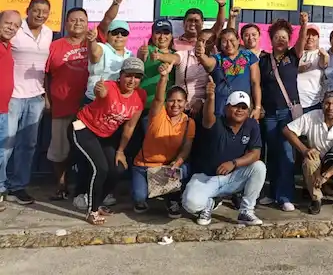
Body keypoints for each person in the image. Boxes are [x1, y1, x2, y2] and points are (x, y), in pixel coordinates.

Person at [70, 57, 147, 225]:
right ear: (120, 75)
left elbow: (130, 127)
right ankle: (92, 210)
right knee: (101, 168)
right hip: (83, 127)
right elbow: (101, 92)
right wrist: (100, 91)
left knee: (117, 170)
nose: (132, 80)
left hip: (105, 135)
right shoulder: (110, 87)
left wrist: (120, 151)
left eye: (137, 77)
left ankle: (98, 202)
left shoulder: (140, 96)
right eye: (128, 75)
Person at [181, 80, 266, 226]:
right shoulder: (217, 121)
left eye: (243, 107)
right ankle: (209, 204)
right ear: (227, 108)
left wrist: (234, 163)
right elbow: (208, 118)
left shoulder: (251, 125)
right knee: (190, 204)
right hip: (206, 178)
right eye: (235, 106)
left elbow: (255, 153)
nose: (239, 110)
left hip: (232, 177)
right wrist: (210, 97)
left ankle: (246, 211)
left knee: (259, 167)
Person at [283, 90, 333, 215]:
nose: (330, 107)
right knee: (310, 160)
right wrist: (304, 149)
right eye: (327, 103)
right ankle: (316, 198)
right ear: (322, 104)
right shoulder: (312, 116)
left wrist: (327, 175)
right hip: (317, 162)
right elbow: (287, 130)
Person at [257, 14, 308, 211]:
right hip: (269, 114)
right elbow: (258, 85)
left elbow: (301, 42)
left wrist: (304, 25)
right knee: (272, 154)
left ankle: (285, 196)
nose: (281, 40)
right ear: (271, 39)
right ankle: (272, 193)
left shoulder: (293, 56)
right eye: (277, 37)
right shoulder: (263, 60)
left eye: (285, 37)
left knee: (287, 154)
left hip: (287, 114)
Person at [5, 0, 53, 205]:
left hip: (36, 97)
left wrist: (47, 96)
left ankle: (18, 187)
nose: (40, 15)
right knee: (6, 143)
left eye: (44, 12)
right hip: (12, 96)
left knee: (28, 145)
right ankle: (0, 186)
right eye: (36, 10)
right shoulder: (16, 29)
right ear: (28, 11)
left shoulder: (48, 33)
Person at [132, 63, 195, 218]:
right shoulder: (158, 114)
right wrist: (164, 77)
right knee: (139, 197)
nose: (175, 104)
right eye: (172, 100)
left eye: (180, 101)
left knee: (185, 169)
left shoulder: (189, 122)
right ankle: (148, 192)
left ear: (186, 103)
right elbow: (159, 98)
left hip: (167, 168)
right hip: (145, 166)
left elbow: (186, 147)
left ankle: (171, 197)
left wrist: (177, 163)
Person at [44, 7, 92, 201]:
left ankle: (86, 186)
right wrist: (47, 98)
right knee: (59, 149)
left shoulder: (94, 44)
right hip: (61, 105)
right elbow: (45, 74)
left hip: (87, 109)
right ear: (66, 23)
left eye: (81, 20)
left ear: (88, 23)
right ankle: (61, 184)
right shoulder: (55, 46)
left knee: (87, 149)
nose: (77, 23)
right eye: (73, 20)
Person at [196, 28, 262, 121]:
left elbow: (255, 83)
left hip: (242, 109)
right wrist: (201, 55)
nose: (229, 44)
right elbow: (208, 63)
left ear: (238, 41)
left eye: (232, 40)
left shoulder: (249, 56)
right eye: (224, 41)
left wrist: (257, 107)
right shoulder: (217, 58)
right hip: (221, 109)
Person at [0, 10, 23, 212]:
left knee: (1, 152)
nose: (11, 28)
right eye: (8, 23)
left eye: (16, 26)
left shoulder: (8, 46)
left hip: (3, 109)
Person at [136, 19, 181, 108]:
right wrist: (142, 54)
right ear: (152, 35)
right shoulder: (147, 49)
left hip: (168, 108)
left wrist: (160, 57)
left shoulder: (175, 54)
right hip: (146, 105)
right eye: (158, 33)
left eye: (166, 33)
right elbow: (141, 59)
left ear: (171, 36)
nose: (162, 36)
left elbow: (176, 61)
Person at [86, 20, 133, 101]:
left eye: (124, 33)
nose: (119, 35)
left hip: (116, 102)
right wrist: (92, 41)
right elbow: (94, 53)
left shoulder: (130, 55)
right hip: (95, 100)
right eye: (115, 32)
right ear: (107, 35)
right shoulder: (103, 48)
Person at [298, 24, 329, 113]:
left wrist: (324, 55)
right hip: (293, 103)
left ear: (318, 38)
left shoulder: (320, 54)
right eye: (307, 34)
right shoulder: (295, 52)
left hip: (312, 103)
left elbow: (324, 63)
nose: (310, 37)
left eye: (314, 35)